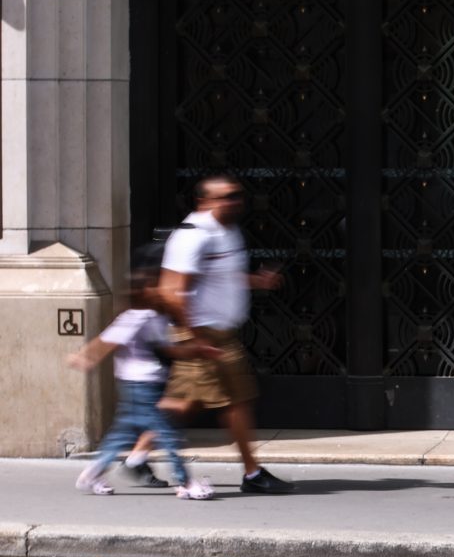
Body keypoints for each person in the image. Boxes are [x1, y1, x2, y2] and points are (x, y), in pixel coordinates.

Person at [158, 175, 295, 494]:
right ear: (204, 201)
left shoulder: (227, 231)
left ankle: (134, 447)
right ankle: (252, 473)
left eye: (238, 195)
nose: (235, 201)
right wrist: (195, 338)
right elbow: (172, 292)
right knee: (237, 402)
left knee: (185, 405)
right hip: (203, 334)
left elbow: (224, 277)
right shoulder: (193, 236)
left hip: (220, 334)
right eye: (227, 196)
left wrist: (255, 282)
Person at [67, 244, 216, 500]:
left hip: (146, 385)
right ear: (142, 291)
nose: (162, 290)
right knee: (167, 433)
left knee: (122, 435)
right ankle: (185, 482)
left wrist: (197, 350)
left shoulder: (153, 317)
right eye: (155, 285)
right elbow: (107, 341)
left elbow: (169, 349)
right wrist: (85, 357)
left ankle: (92, 473)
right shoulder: (134, 317)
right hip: (139, 386)